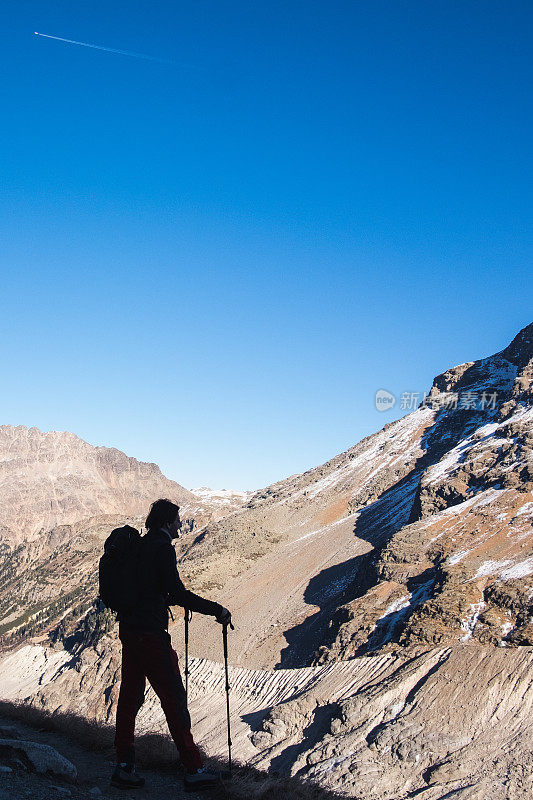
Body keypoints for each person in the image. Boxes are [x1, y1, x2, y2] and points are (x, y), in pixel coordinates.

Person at [111, 498, 232, 792]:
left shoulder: (139, 544)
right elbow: (176, 592)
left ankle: (124, 766)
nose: (180, 525)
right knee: (174, 699)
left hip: (130, 630)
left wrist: (158, 598)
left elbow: (145, 587)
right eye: (177, 520)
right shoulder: (162, 547)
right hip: (151, 635)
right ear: (167, 522)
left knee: (129, 697)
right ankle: (194, 768)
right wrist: (216, 609)